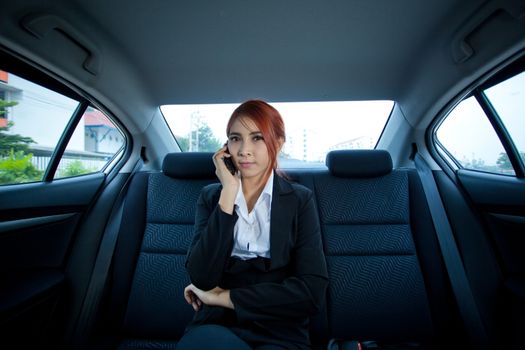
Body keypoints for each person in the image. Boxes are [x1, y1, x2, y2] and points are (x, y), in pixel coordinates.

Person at [176, 100, 328, 350]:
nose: (244, 150)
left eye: (257, 138)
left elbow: (311, 293)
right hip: (216, 323)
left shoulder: (300, 200)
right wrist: (228, 193)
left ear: (277, 144)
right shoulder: (211, 197)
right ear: (225, 148)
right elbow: (202, 277)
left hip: (279, 326)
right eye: (236, 138)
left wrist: (222, 296)